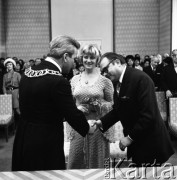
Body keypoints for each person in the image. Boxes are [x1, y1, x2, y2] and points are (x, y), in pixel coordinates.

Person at [12, 35, 96, 171]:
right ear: (65, 57)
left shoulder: (27, 73)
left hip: (23, 136)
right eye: (74, 59)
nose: (75, 63)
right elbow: (71, 113)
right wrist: (87, 128)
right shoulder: (58, 81)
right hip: (45, 141)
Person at [93, 52, 174, 167]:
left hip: (151, 143)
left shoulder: (140, 79)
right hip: (138, 143)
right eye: (102, 72)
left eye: (106, 69)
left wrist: (129, 138)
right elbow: (119, 110)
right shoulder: (117, 82)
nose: (104, 74)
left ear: (117, 62)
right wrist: (102, 122)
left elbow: (148, 116)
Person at [67, 44, 115, 169]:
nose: (88, 60)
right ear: (81, 58)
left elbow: (112, 104)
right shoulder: (74, 80)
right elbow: (69, 104)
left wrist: (99, 105)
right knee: (76, 159)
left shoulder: (105, 81)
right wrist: (76, 109)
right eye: (86, 57)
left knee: (98, 162)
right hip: (78, 125)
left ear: (97, 59)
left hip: (97, 125)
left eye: (92, 57)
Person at [3, 58, 21, 126]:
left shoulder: (17, 74)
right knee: (10, 110)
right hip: (8, 93)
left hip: (16, 92)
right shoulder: (5, 75)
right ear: (6, 66)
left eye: (10, 64)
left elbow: (21, 85)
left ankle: (21, 124)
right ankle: (12, 126)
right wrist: (5, 93)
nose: (9, 66)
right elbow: (3, 86)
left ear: (13, 65)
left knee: (17, 109)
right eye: (7, 65)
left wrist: (19, 93)